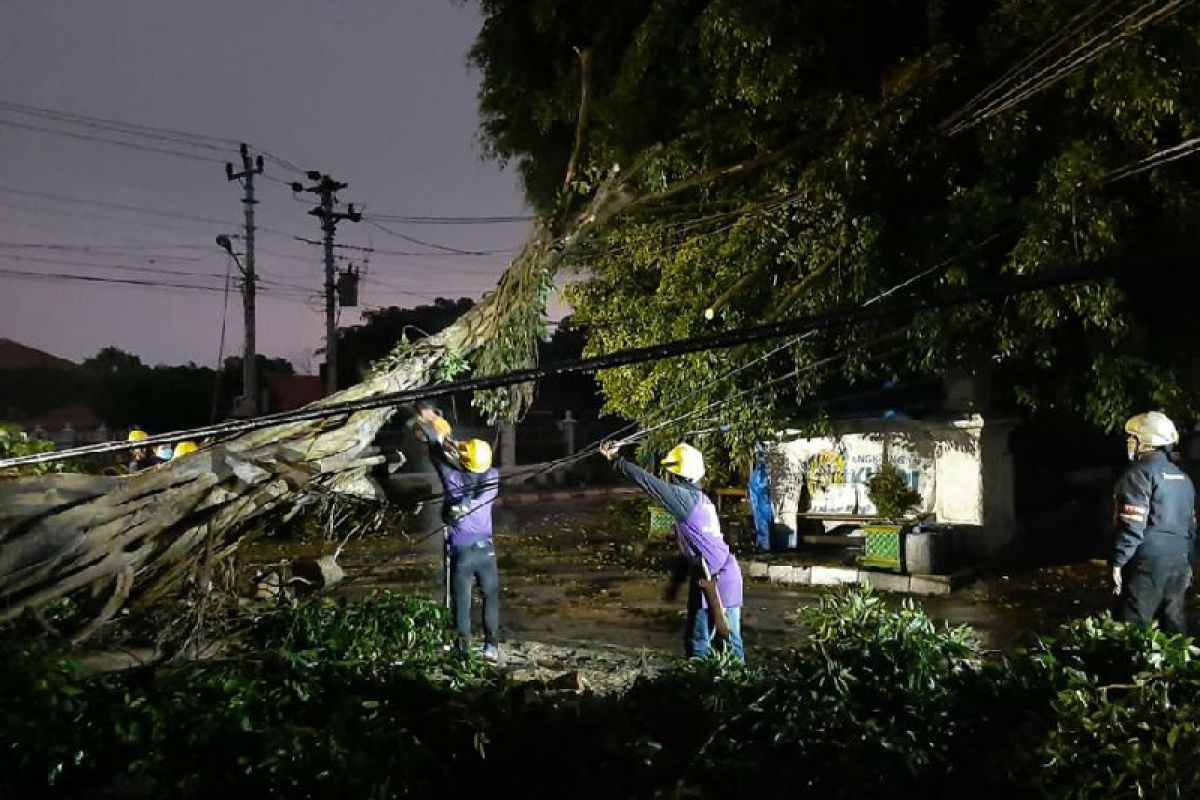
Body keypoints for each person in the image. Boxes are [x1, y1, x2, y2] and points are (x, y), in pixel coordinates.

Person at [600, 440, 745, 661]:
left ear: (676, 474)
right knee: (722, 641)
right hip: (716, 574)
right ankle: (728, 685)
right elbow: (690, 552)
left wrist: (616, 460)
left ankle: (715, 687)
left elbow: (648, 483)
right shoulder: (700, 499)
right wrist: (675, 584)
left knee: (705, 644)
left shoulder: (683, 499)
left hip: (716, 579)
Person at [415, 404, 503, 663]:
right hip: (486, 551)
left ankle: (462, 650)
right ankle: (491, 647)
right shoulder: (493, 477)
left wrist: (430, 423)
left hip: (460, 551)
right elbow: (475, 485)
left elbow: (435, 450)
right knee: (491, 597)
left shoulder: (451, 478)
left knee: (461, 602)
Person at [1111, 411, 1196, 634]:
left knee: (1133, 629)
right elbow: (1191, 526)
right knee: (1174, 628)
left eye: (1132, 437)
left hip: (1147, 563)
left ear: (1145, 441)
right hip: (1180, 561)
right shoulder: (1183, 478)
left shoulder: (1138, 474)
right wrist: (1190, 561)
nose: (1128, 442)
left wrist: (1118, 561)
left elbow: (1132, 525)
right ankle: (1179, 669)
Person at [748, 444, 774, 552]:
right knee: (760, 518)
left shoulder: (762, 472)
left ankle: (764, 544)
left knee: (762, 517)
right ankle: (762, 543)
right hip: (759, 495)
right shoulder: (759, 471)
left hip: (761, 495)